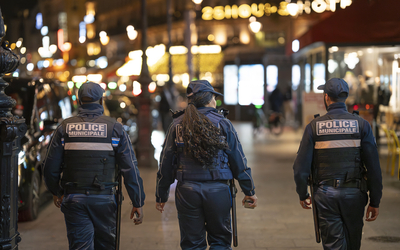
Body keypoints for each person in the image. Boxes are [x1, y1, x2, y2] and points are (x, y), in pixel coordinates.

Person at [155, 80, 257, 249]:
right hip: (219, 190)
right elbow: (238, 160)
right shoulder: (223, 123)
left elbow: (166, 161)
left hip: (187, 191)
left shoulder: (177, 124)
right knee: (220, 242)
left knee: (192, 244)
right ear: (211, 99)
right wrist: (249, 190)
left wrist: (161, 194)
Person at [43, 82, 145, 250]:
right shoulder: (115, 129)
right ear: (101, 101)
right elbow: (130, 168)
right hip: (105, 199)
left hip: (74, 199)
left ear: (79, 101)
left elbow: (50, 167)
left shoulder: (64, 129)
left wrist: (57, 192)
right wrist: (137, 200)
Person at [293, 78, 383, 250]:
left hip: (326, 195)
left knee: (333, 245)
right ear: (346, 97)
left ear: (326, 97)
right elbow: (373, 168)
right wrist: (375, 200)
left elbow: (300, 167)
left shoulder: (314, 127)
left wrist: (303, 193)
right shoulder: (362, 125)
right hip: (355, 195)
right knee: (353, 244)